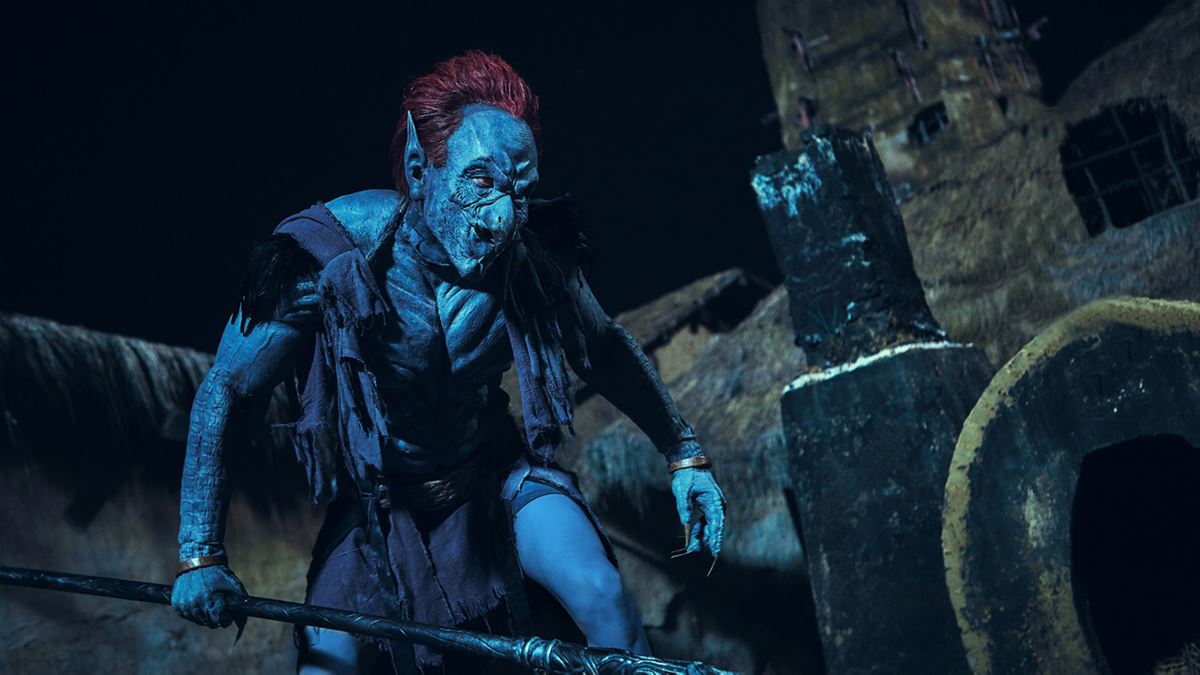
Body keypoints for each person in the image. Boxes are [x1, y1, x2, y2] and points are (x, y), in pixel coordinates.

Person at [170, 51, 726, 674]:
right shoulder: (328, 256)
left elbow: (602, 348)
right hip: (380, 504)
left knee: (602, 594)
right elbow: (231, 389)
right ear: (419, 167)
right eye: (481, 182)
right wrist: (201, 553)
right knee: (324, 668)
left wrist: (685, 455)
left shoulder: (532, 255)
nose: (502, 219)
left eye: (520, 192)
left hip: (494, 475)